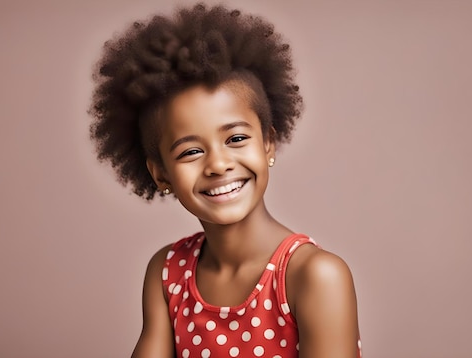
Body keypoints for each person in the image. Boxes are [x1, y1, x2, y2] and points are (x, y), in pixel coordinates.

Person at [89, 3, 362, 357]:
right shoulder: (167, 272)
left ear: (268, 144)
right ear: (161, 174)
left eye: (235, 139)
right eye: (190, 152)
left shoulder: (315, 276)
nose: (218, 165)